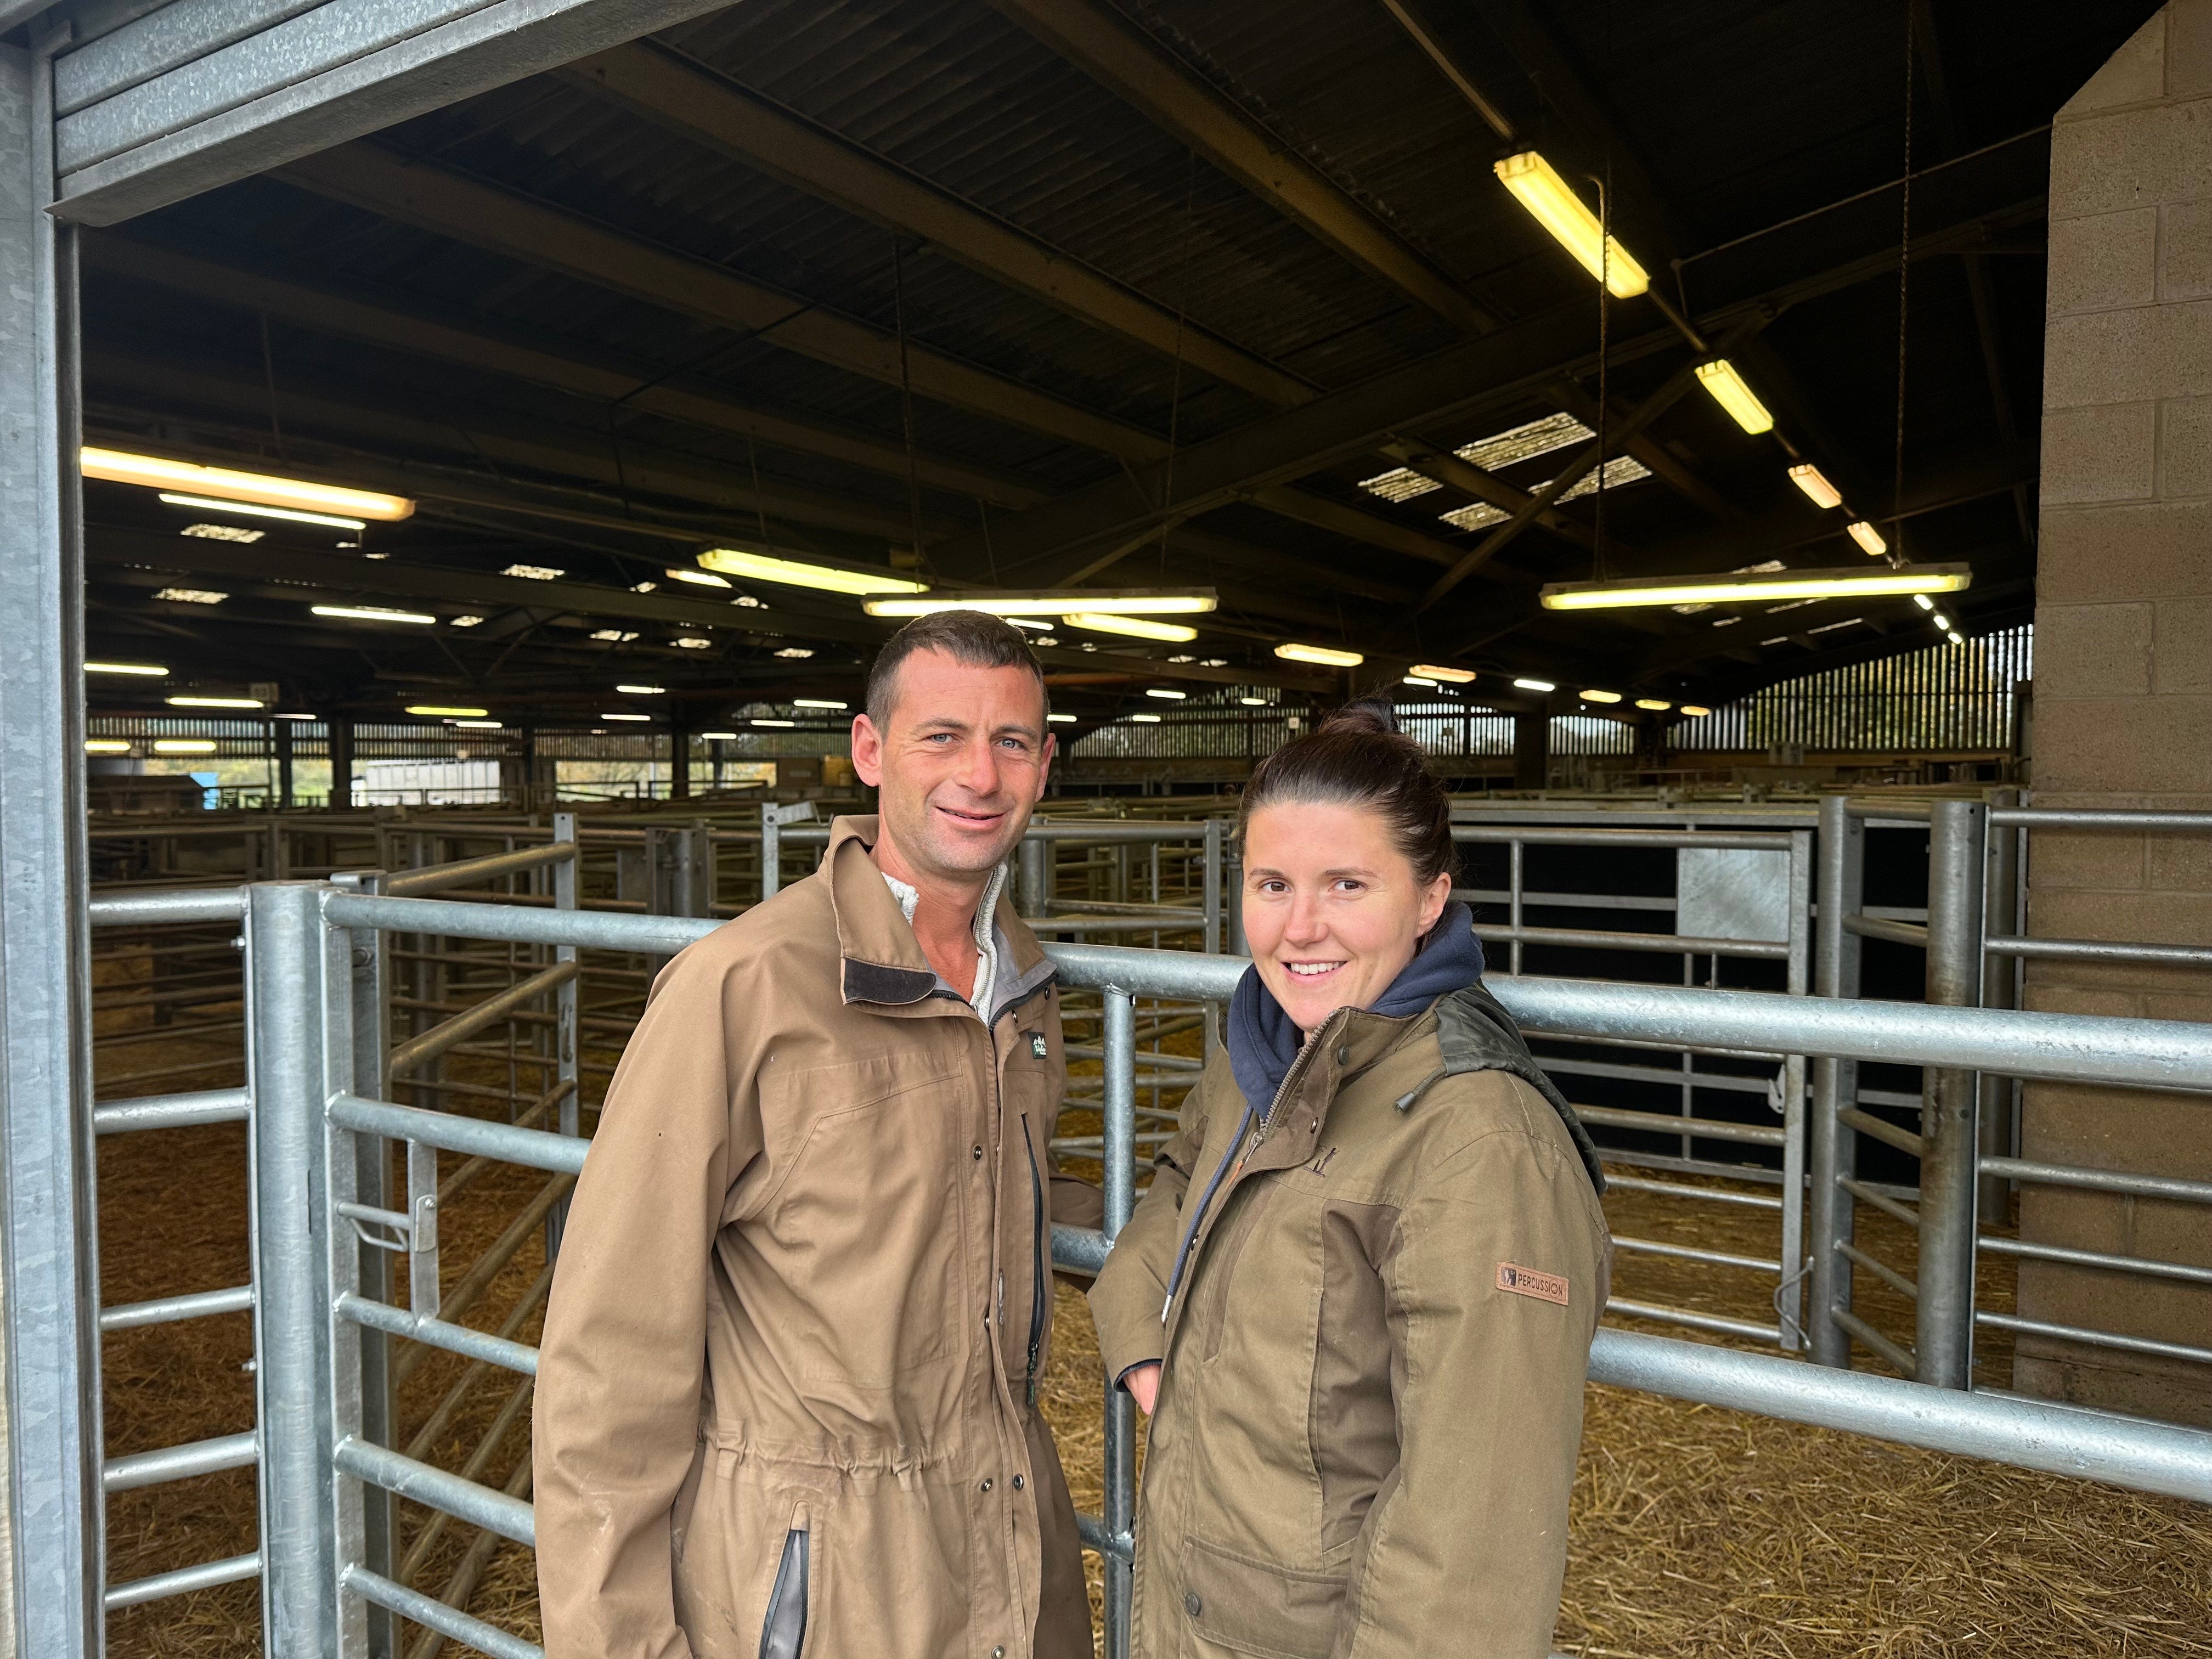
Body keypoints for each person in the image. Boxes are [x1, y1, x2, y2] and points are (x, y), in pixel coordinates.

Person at [534, 610, 1099, 1659]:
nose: (980, 773)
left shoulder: (1020, 985)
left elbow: (998, 1201)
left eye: (1011, 741)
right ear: (870, 749)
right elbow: (611, 1349)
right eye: (942, 736)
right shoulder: (744, 989)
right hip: (821, 1581)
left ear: (1045, 764)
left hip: (1016, 1555)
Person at [1087, 699, 1611, 1658]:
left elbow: (1470, 1549)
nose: (1301, 927)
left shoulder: (1479, 1144)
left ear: (1429, 899)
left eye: (1348, 885)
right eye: (1272, 883)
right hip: (1199, 1605)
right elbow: (1177, 1176)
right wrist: (1142, 1335)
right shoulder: (1264, 1048)